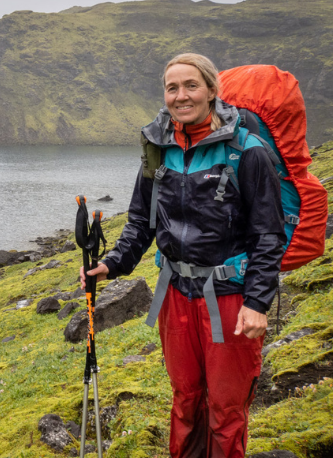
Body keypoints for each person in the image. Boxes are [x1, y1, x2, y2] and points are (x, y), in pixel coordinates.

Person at [81, 53, 286, 457]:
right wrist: (114, 263)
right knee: (186, 398)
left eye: (191, 85)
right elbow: (142, 221)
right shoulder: (158, 151)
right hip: (176, 293)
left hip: (229, 297)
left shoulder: (249, 152)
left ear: (211, 91)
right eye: (172, 87)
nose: (181, 95)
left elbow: (268, 235)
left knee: (227, 406)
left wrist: (257, 302)